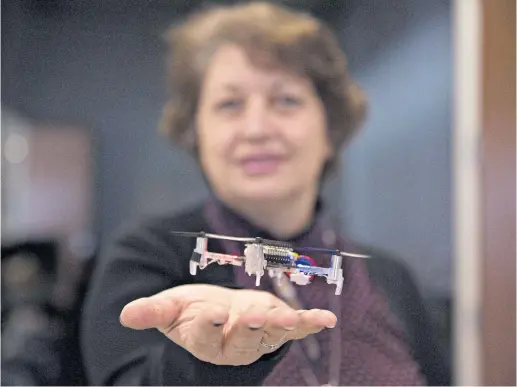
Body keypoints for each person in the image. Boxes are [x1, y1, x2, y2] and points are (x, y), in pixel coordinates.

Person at [81, 2, 450, 385]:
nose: (257, 128)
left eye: (286, 101)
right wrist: (206, 361)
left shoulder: (388, 277)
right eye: (230, 104)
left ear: (330, 130)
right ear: (197, 134)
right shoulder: (148, 255)